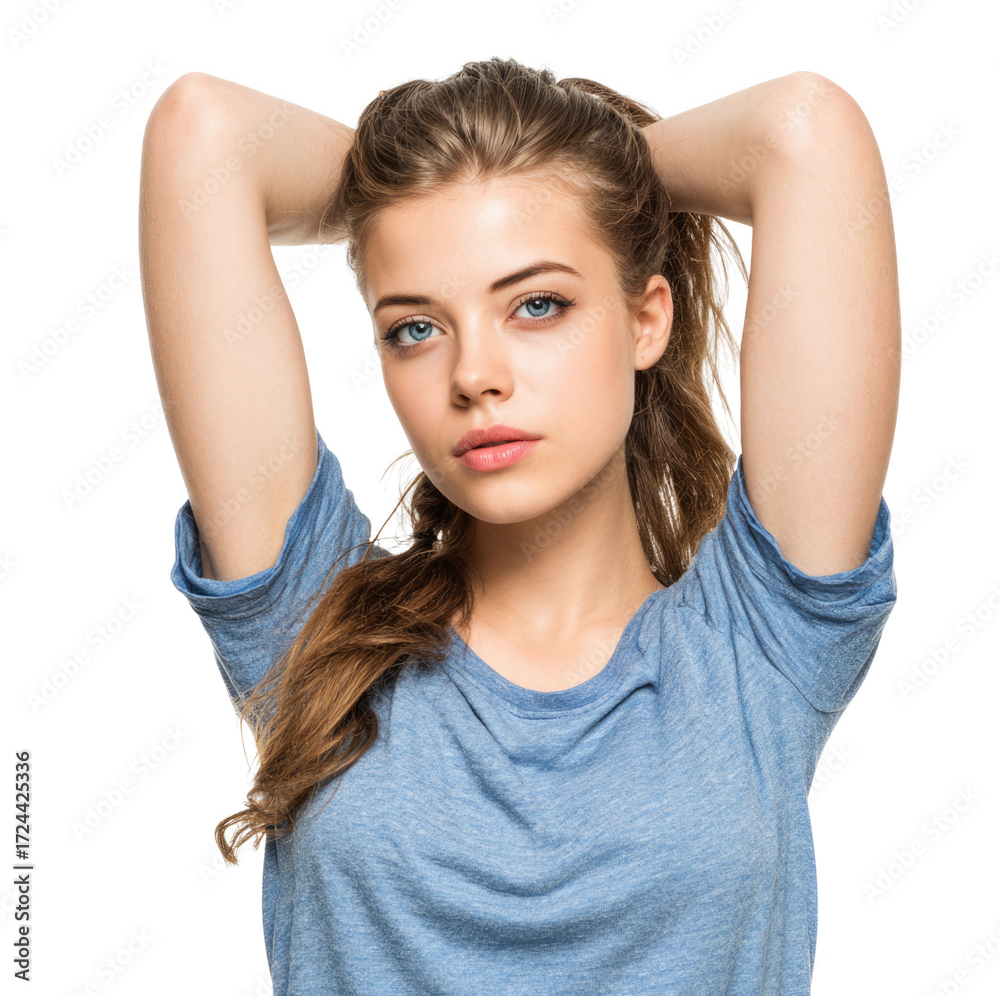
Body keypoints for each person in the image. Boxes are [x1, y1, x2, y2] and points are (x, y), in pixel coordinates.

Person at [139, 58, 900, 995]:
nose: (473, 375)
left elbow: (803, 130)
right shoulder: (316, 633)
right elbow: (201, 133)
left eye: (538, 303)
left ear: (646, 318)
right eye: (414, 326)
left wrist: (581, 172)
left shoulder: (759, 649)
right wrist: (444, 201)